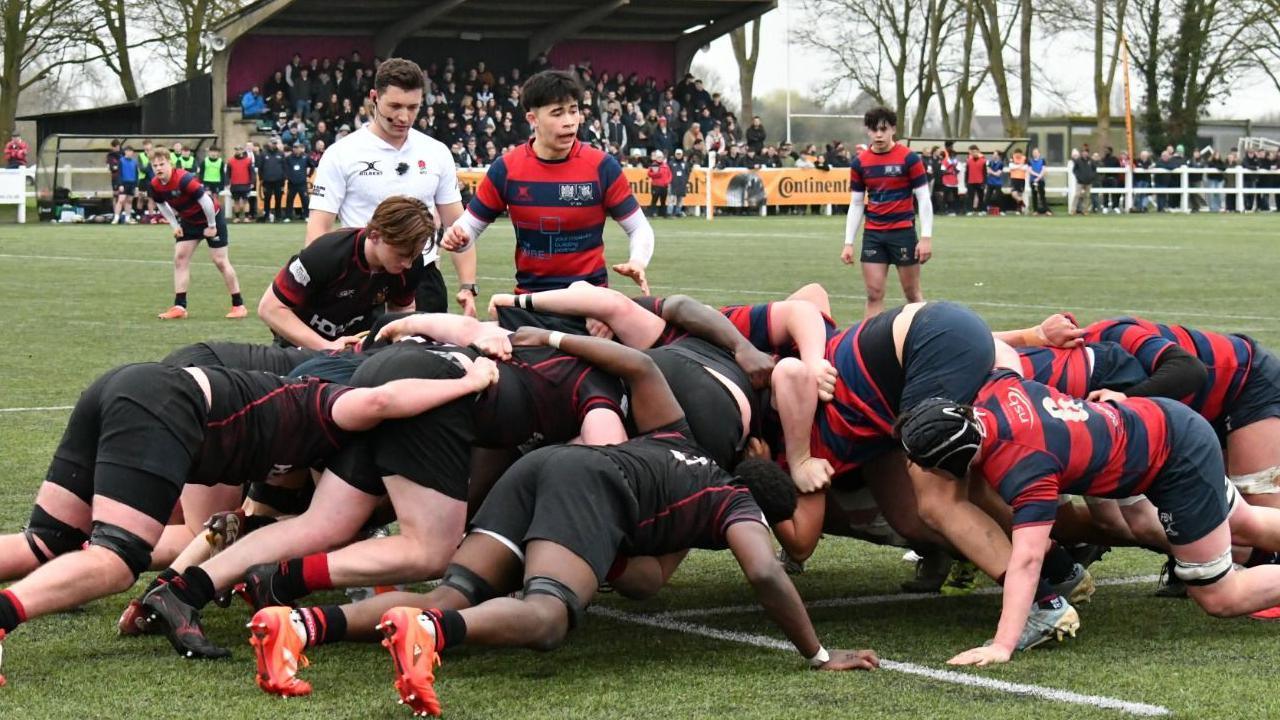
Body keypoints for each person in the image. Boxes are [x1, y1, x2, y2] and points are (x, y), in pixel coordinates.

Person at [245, 328, 879, 707]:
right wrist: (820, 653)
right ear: (759, 505)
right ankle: (431, 636)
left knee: (450, 591)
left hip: (542, 466)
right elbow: (767, 574)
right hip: (589, 486)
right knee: (548, 618)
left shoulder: (677, 435)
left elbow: (639, 364)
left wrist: (548, 337)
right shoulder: (734, 504)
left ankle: (298, 625)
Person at [0, 354, 499, 681]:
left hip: (134, 388)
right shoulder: (321, 405)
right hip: (166, 403)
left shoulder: (287, 449)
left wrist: (176, 588)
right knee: (117, 560)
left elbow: (235, 530)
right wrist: (470, 380)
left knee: (49, 542)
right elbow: (381, 398)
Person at [897, 372, 1280, 668]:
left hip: (1175, 460)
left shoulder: (1025, 468)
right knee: (1242, 523)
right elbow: (1002, 357)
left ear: (958, 461)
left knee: (1218, 595)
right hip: (1163, 423)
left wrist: (1002, 644)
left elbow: (1028, 560)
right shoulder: (992, 390)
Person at [441, 70, 654, 295]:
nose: (570, 122)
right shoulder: (506, 169)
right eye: (557, 113)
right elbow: (469, 227)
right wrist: (458, 236)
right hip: (530, 303)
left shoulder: (603, 167)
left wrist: (638, 261)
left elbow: (639, 227)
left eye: (574, 111)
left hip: (591, 305)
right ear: (533, 119)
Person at [307, 57, 477, 316]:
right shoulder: (342, 153)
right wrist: (318, 286)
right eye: (395, 105)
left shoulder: (436, 152)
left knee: (428, 356)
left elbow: (458, 227)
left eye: (413, 107)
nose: (403, 116)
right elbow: (319, 228)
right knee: (362, 356)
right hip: (362, 279)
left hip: (422, 278)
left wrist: (467, 286)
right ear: (374, 97)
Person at [258, 196, 431, 350]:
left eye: (413, 256)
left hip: (353, 348)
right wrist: (326, 346)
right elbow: (270, 308)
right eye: (401, 254)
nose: (408, 264)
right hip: (299, 346)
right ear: (375, 235)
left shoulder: (411, 265)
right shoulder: (327, 253)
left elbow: (402, 310)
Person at [839, 107, 933, 319]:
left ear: (893, 129)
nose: (878, 135)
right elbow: (856, 203)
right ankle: (867, 347)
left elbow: (923, 198)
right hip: (873, 235)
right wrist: (848, 242)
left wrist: (926, 237)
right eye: (874, 130)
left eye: (883, 129)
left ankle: (925, 338)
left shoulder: (909, 159)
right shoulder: (859, 163)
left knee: (912, 294)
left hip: (903, 233)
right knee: (874, 294)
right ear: (868, 131)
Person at [147, 151, 246, 320]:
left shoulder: (184, 179)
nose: (158, 168)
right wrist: (175, 225)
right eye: (155, 165)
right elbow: (161, 203)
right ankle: (179, 306)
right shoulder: (155, 184)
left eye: (162, 164)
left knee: (220, 261)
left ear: (170, 163)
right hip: (189, 221)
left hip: (211, 217)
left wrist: (212, 226)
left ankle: (238, 305)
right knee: (180, 258)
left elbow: (206, 201)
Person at [283, 142, 313, 222]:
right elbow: (285, 168)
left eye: (298, 147)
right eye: (295, 147)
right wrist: (288, 177)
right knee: (289, 200)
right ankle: (288, 216)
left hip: (302, 183)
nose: (296, 149)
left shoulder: (305, 157)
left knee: (305, 200)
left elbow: (312, 165)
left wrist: (309, 175)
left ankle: (306, 215)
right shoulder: (289, 158)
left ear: (300, 148)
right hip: (292, 183)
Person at [258, 140, 286, 222]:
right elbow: (260, 168)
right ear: (269, 144)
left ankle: (278, 216)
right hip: (267, 181)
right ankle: (266, 215)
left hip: (278, 181)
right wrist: (261, 179)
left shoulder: (281, 154)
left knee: (278, 199)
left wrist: (283, 179)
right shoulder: (264, 154)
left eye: (275, 143)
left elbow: (284, 167)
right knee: (267, 199)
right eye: (272, 143)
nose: (273, 145)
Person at [226, 145, 256, 223]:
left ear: (243, 150)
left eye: (239, 149)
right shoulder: (231, 161)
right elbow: (228, 173)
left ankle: (246, 217)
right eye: (236, 149)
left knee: (246, 201)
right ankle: (237, 217)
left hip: (245, 184)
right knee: (236, 201)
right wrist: (227, 183)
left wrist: (252, 182)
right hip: (234, 184)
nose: (238, 151)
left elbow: (252, 173)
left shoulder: (248, 160)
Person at [113, 146, 140, 224]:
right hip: (124, 183)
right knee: (121, 200)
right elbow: (119, 173)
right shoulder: (121, 161)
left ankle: (127, 218)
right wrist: (120, 184)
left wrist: (136, 186)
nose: (130, 153)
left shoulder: (134, 162)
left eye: (131, 151)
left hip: (132, 183)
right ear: (125, 152)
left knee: (129, 201)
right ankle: (116, 217)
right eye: (128, 151)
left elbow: (136, 174)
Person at [647, 149, 671, 218]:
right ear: (656, 158)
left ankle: (663, 214)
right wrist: (657, 174)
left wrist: (668, 181)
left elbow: (670, 175)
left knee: (663, 201)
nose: (660, 159)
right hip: (656, 186)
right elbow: (649, 174)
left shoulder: (666, 166)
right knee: (654, 200)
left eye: (661, 157)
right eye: (659, 157)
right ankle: (651, 214)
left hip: (664, 186)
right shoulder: (654, 165)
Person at [1028, 147, 1049, 215]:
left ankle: (1046, 210)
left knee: (1042, 194)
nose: (1035, 154)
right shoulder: (1030, 161)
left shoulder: (1042, 160)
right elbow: (1030, 170)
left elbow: (1043, 169)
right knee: (1034, 195)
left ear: (1039, 153)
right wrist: (1037, 175)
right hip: (1033, 180)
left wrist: (1039, 177)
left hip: (1041, 180)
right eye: (1034, 153)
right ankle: (1035, 211)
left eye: (1036, 152)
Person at [964, 145, 985, 214]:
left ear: (978, 152)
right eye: (973, 152)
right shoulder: (968, 161)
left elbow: (985, 173)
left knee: (980, 197)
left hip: (980, 181)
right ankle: (970, 210)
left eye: (976, 152)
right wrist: (966, 182)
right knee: (970, 197)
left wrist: (984, 182)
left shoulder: (983, 161)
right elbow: (967, 172)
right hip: (971, 181)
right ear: (971, 153)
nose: (974, 153)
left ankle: (980, 210)